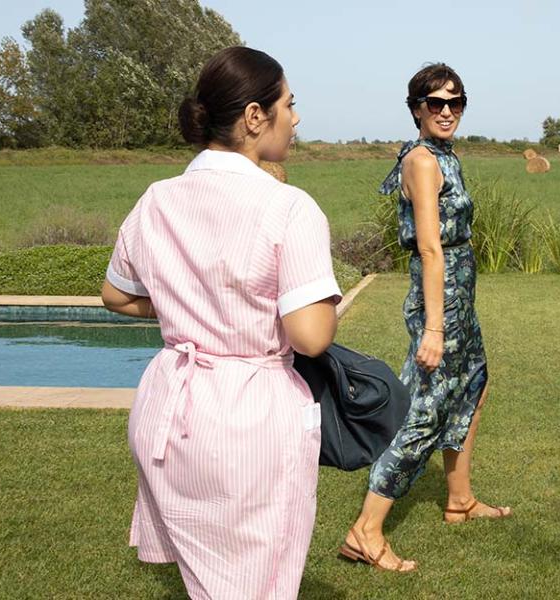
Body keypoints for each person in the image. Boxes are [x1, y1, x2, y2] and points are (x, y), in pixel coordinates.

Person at [101, 46, 341, 597]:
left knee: (207, 578)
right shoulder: (289, 207)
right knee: (258, 582)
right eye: (290, 103)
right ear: (256, 117)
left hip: (170, 411)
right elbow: (311, 334)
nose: (297, 117)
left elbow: (115, 295)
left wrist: (194, 305)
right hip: (247, 420)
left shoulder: (157, 199)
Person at [338, 63, 510, 572]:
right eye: (436, 103)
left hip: (457, 294)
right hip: (442, 300)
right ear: (416, 108)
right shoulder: (422, 161)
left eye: (455, 102)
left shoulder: (443, 156)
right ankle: (365, 530)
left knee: (474, 384)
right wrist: (434, 327)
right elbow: (431, 249)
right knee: (424, 408)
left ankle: (459, 499)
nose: (447, 111)